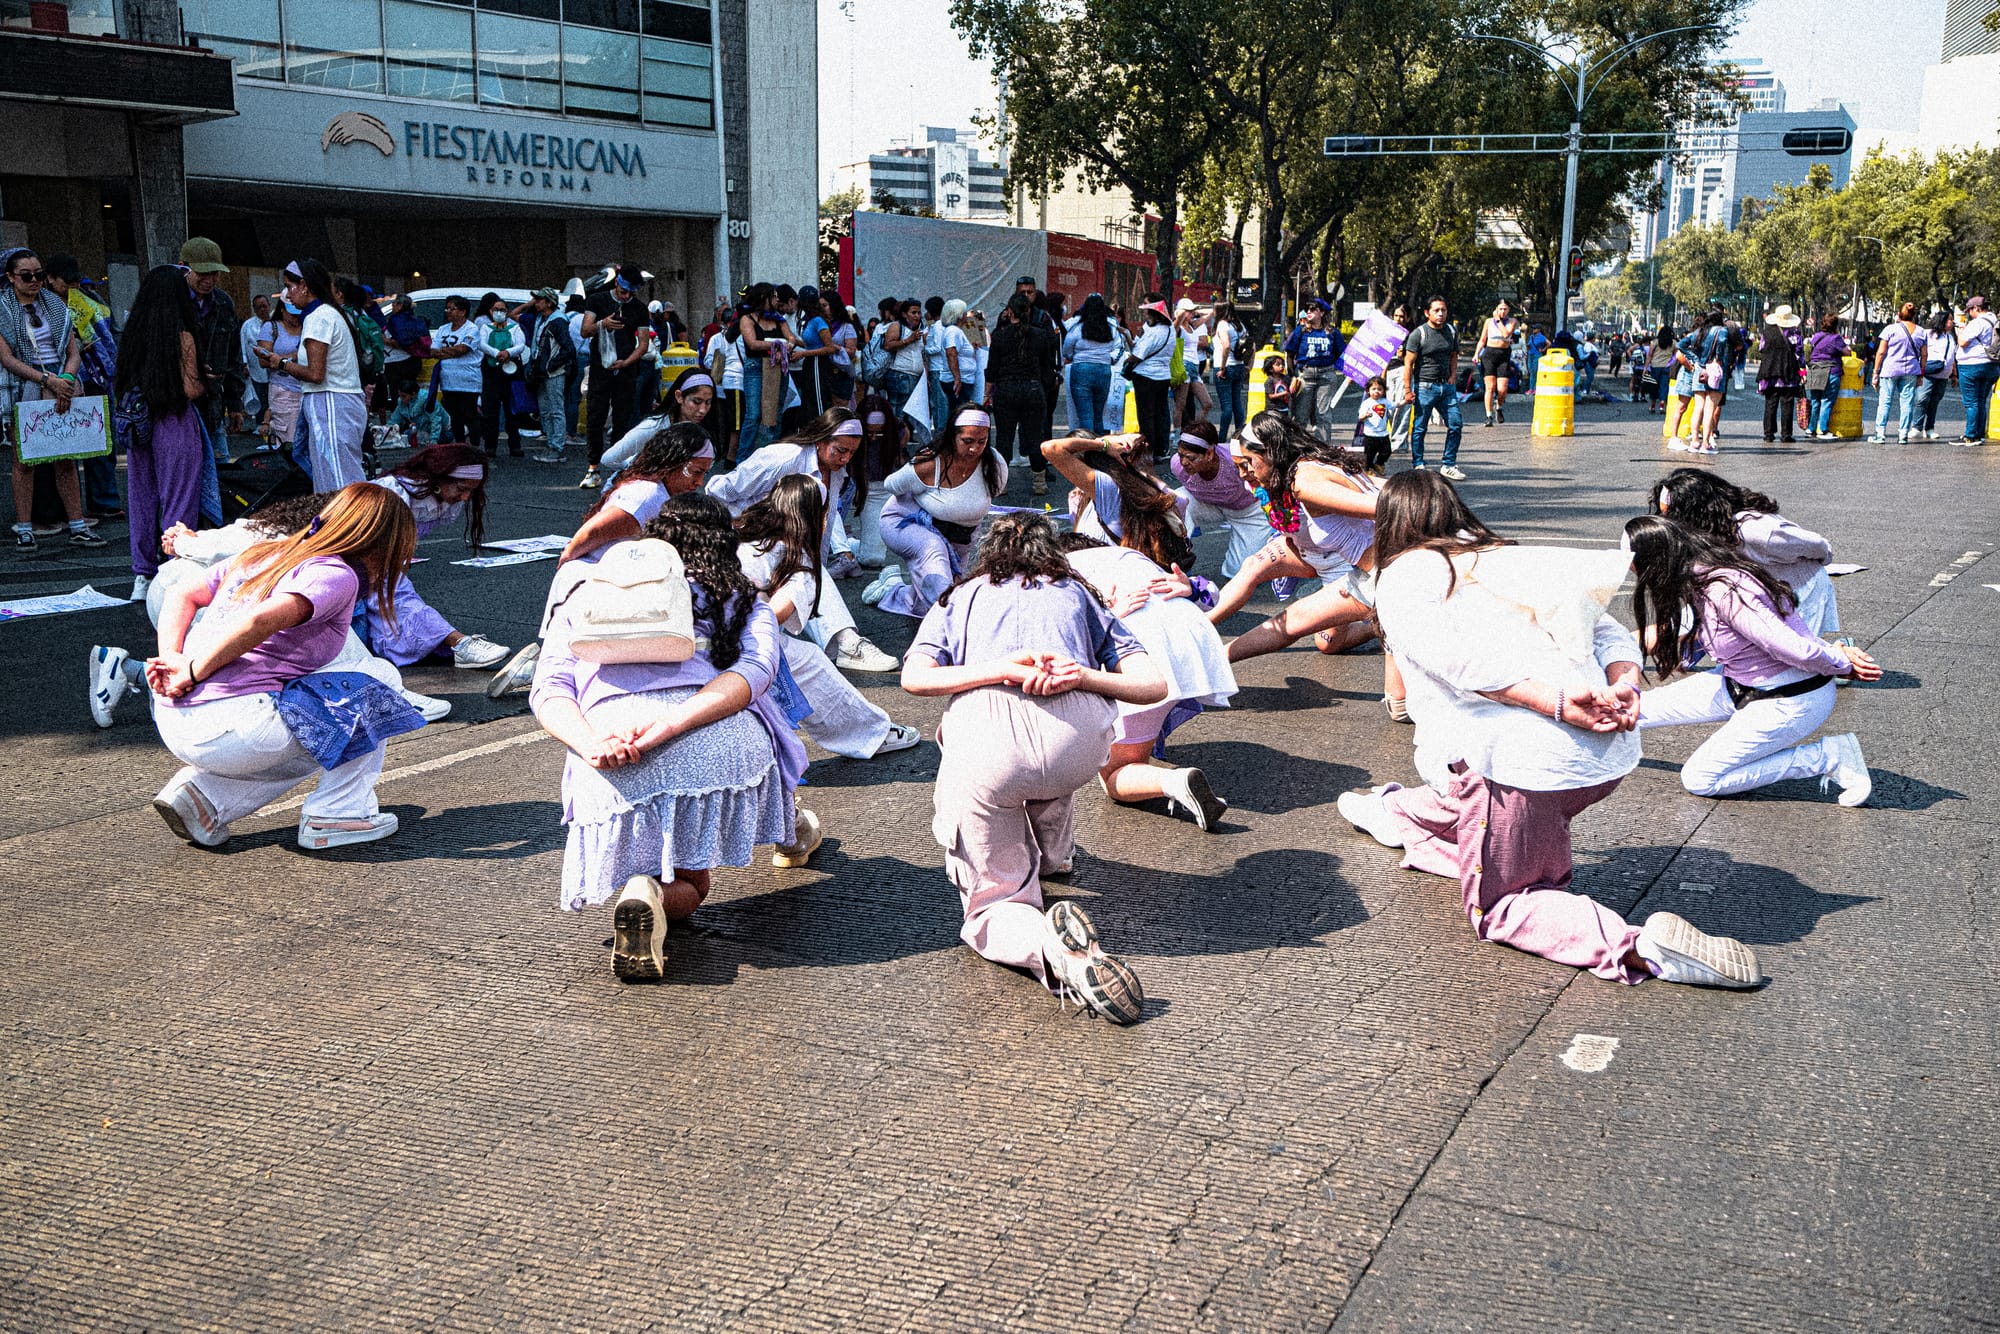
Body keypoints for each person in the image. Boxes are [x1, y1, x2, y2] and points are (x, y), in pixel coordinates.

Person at [1335, 471, 1763, 990]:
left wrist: (1559, 704)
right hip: (1605, 754)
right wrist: (1625, 683)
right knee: (1458, 801)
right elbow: (1603, 628)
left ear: (1389, 524)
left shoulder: (1401, 574)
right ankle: (1388, 809)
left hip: (1522, 767)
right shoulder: (1502, 556)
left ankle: (1639, 948)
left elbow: (1459, 664)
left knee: (1502, 902)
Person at [531, 493, 821, 981]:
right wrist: (670, 725)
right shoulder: (744, 599)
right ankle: (659, 893)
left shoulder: (585, 593)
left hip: (610, 752)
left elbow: (549, 690)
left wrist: (590, 744)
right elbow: (754, 675)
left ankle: (641, 888)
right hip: (712, 745)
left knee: (663, 855)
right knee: (693, 880)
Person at [901, 511, 1166, 1024]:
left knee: (991, 902)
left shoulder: (960, 595)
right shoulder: (1079, 593)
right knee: (1047, 776)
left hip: (991, 742)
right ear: (1053, 553)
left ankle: (1052, 948)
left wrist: (1000, 668)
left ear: (988, 551)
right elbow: (1152, 685)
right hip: (1079, 745)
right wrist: (1082, 675)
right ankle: (1052, 857)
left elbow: (914, 677)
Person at [147, 482, 420, 852]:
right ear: (382, 544)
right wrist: (191, 669)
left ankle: (205, 799)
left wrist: (173, 660)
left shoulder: (265, 553)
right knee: (379, 682)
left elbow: (182, 593)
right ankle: (337, 814)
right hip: (233, 724)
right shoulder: (336, 574)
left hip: (178, 717)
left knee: (318, 734)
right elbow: (259, 621)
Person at [1625, 514, 1878, 805]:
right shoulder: (1699, 577)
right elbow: (1675, 631)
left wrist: (1842, 662)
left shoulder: (1723, 589)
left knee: (1700, 778)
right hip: (1738, 683)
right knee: (1627, 710)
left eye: (1638, 571)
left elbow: (1791, 646)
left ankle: (1827, 757)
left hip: (1791, 699)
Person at [1058, 528, 1234, 833]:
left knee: (1116, 775)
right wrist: (1191, 588)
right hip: (1192, 637)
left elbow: (1067, 637)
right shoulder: (1128, 556)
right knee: (1138, 737)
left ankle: (1174, 781)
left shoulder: (1062, 576)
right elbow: (1211, 594)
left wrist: (1109, 614)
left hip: (1143, 650)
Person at [736, 475, 921, 759]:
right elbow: (775, 614)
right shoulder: (797, 560)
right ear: (819, 518)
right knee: (808, 661)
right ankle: (871, 734)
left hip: (698, 629)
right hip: (737, 640)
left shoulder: (742, 535)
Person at [705, 408, 900, 673]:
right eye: (840, 450)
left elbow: (822, 530)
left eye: (852, 452)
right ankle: (846, 643)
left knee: (806, 567)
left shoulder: (836, 471)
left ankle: (840, 640)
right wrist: (743, 527)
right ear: (820, 441)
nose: (845, 458)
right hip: (742, 536)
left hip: (782, 539)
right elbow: (719, 490)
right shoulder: (782, 458)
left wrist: (815, 581)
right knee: (801, 566)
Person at [1203, 412, 1381, 662]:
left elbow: (1382, 500)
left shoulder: (1305, 481)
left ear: (1270, 453)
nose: (1243, 474)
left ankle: (1382, 622)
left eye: (1246, 463)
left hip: (1344, 563)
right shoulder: (1273, 475)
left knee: (1327, 644)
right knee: (1253, 567)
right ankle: (1197, 629)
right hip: (1304, 550)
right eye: (1237, 467)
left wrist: (1429, 502)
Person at [364, 444, 510, 669]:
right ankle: (459, 643)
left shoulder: (444, 499)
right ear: (441, 477)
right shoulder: (394, 492)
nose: (465, 497)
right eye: (461, 488)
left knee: (394, 598)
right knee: (395, 597)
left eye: (471, 490)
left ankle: (442, 642)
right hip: (363, 555)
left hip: (389, 556)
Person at [1648, 468, 1841, 637]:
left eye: (1672, 514)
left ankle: (1843, 653)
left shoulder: (1758, 531)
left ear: (1695, 511)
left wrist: (1824, 559)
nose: (1667, 521)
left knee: (1795, 659)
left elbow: (1817, 545)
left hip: (1799, 590)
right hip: (1749, 590)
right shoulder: (1702, 531)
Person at [113, 266, 208, 599]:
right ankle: (174, 569)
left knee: (140, 497)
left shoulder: (133, 332)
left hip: (138, 424)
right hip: (174, 420)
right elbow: (191, 389)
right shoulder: (182, 335)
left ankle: (142, 575)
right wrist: (206, 379)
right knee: (179, 498)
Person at [0, 247, 103, 552]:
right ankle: (25, 526)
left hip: (60, 383)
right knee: (24, 462)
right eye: (26, 275)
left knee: (66, 458)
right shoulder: (2, 310)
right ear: (10, 277)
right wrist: (48, 381)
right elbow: (6, 359)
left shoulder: (55, 306)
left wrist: (67, 380)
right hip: (23, 387)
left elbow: (73, 351)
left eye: (39, 275)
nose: (34, 280)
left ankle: (78, 524)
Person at [867, 400, 1010, 620]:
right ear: (953, 436)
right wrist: (924, 502)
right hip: (906, 523)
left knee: (931, 599)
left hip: (960, 537)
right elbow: (891, 485)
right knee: (944, 591)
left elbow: (994, 491)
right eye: (967, 441)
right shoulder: (930, 463)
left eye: (982, 441)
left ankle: (892, 588)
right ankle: (953, 626)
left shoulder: (994, 463)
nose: (974, 448)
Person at [270, 259, 367, 490]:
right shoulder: (327, 313)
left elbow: (315, 373)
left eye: (289, 286)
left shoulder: (318, 317)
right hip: (337, 400)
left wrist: (280, 363)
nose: (286, 294)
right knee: (333, 475)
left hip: (331, 400)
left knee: (339, 479)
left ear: (304, 285)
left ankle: (354, 523)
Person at [580, 264, 655, 489]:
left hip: (626, 368)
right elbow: (585, 330)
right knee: (596, 416)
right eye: (623, 291)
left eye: (631, 292)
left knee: (623, 418)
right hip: (600, 367)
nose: (626, 296)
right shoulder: (597, 300)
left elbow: (643, 344)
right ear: (616, 283)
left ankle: (617, 467)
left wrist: (627, 362)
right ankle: (593, 466)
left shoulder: (639, 309)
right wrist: (602, 324)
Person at [1170, 420, 1271, 579]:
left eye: (1190, 457)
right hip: (1209, 504)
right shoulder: (1177, 465)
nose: (1184, 462)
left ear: (1209, 454)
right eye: (1180, 455)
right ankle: (1177, 559)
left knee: (1239, 573)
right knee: (1174, 500)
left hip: (1247, 511)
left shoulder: (1235, 462)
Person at [178, 238, 244, 467]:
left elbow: (234, 355)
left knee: (220, 469)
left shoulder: (224, 303)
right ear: (183, 267)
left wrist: (235, 403)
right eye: (202, 273)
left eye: (214, 273)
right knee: (184, 472)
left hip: (214, 403)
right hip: (178, 405)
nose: (209, 280)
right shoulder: (171, 301)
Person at [988, 292, 1059, 492]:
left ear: (1009, 312)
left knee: (1004, 438)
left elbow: (991, 369)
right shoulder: (1040, 335)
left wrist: (986, 394)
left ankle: (1000, 484)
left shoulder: (1000, 336)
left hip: (1006, 389)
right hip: (1033, 389)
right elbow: (1048, 365)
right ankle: (1039, 482)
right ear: (1029, 311)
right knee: (1035, 437)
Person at [601, 366, 718, 474]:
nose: (703, 410)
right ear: (679, 396)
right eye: (697, 401)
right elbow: (609, 459)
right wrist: (640, 472)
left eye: (708, 402)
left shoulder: (705, 431)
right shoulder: (652, 427)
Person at [1402, 296, 1464, 479]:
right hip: (1424, 386)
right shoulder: (1418, 334)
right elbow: (1408, 363)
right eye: (1436, 310)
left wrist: (1453, 376)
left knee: (1456, 424)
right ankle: (1419, 464)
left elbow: (1454, 355)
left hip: (1447, 387)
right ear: (1427, 313)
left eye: (1443, 310)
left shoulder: (1451, 331)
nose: (1440, 314)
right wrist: (1408, 390)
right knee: (1420, 427)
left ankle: (1449, 464)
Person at [736, 282, 800, 458]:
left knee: (774, 413)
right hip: (756, 367)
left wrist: (787, 347)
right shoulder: (747, 319)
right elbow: (752, 343)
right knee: (754, 415)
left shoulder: (779, 319)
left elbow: (792, 338)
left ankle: (769, 454)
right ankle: (743, 458)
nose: (776, 300)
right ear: (764, 298)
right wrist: (779, 345)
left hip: (777, 368)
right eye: (773, 297)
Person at [524, 287, 577, 464]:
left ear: (549, 302)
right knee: (545, 410)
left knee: (555, 409)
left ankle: (558, 446)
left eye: (539, 300)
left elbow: (568, 348)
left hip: (553, 372)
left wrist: (551, 365)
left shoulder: (558, 321)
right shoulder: (541, 319)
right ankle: (550, 442)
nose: (536, 303)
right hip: (541, 371)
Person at [1061, 293, 1124, 439]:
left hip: (1081, 370)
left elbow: (1066, 350)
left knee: (1085, 415)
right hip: (1103, 370)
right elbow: (1118, 347)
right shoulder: (1110, 328)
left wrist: (1074, 357)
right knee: (1098, 414)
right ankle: (1100, 448)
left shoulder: (1078, 328)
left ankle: (1087, 448)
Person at [475, 293, 529, 459]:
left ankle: (515, 445)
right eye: (495, 310)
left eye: (502, 310)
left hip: (511, 370)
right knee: (490, 410)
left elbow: (520, 344)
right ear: (490, 311)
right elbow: (482, 343)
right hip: (491, 371)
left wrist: (508, 352)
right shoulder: (485, 327)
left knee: (512, 410)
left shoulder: (514, 327)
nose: (499, 312)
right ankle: (490, 446)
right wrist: (497, 353)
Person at [1282, 299, 1343, 442]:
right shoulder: (1301, 331)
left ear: (1321, 313)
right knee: (1300, 415)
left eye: (1313, 309)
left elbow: (1342, 354)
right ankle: (1298, 447)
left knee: (1323, 414)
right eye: (1307, 309)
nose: (1308, 312)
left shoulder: (1332, 332)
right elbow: (1290, 354)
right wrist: (1292, 377)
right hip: (1305, 375)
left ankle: (1322, 447)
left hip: (1326, 375)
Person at [428, 297, 484, 448]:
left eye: (452, 309)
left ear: (463, 311)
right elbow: (433, 351)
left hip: (468, 380)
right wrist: (449, 352)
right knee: (455, 416)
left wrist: (444, 352)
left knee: (470, 414)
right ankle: (459, 446)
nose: (448, 312)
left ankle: (475, 447)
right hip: (448, 380)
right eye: (447, 309)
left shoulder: (471, 329)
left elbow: (463, 349)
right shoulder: (443, 329)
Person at [1673, 308, 1730, 455]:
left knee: (1698, 407)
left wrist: (1695, 359)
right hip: (1714, 370)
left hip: (1699, 371)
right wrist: (1718, 358)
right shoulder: (1722, 331)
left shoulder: (1699, 332)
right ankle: (1706, 443)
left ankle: (1694, 442)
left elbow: (1681, 345)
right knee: (1710, 409)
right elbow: (1723, 344)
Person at [1126, 300, 1176, 460]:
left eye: (1147, 313)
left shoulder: (1153, 333)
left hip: (1146, 376)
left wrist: (1126, 358)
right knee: (1160, 413)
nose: (1145, 315)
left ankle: (1148, 451)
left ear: (1154, 315)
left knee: (1146, 414)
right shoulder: (1170, 330)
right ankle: (1162, 449)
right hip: (1164, 376)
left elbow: (1138, 355)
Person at [1868, 302, 1924, 444]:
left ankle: (1880, 434)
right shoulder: (1921, 332)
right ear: (1914, 316)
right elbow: (1925, 355)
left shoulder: (1890, 329)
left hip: (1890, 370)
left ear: (1898, 315)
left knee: (1885, 402)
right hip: (1911, 371)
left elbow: (1881, 352)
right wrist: (1921, 374)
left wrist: (1875, 372)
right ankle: (1903, 434)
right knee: (1907, 403)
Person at [881, 297, 929, 445]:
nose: (917, 316)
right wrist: (909, 340)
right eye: (913, 312)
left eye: (919, 313)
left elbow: (923, 354)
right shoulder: (896, 327)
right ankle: (894, 444)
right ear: (904, 314)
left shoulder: (920, 329)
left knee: (910, 412)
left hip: (916, 378)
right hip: (899, 375)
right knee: (898, 412)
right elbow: (888, 345)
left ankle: (904, 441)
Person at [703, 304, 746, 464]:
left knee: (735, 420)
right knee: (723, 421)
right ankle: (724, 453)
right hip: (722, 387)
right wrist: (719, 362)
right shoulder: (716, 339)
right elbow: (708, 361)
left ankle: (729, 452)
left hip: (733, 384)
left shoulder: (741, 337)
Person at [924, 299, 974, 434]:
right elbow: (951, 352)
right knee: (951, 410)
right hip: (955, 378)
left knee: (953, 409)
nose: (966, 315)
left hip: (962, 378)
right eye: (964, 312)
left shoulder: (957, 330)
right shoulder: (952, 331)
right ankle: (945, 437)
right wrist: (957, 377)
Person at [1757, 305, 1805, 444]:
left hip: (1770, 372)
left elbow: (1761, 349)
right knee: (1787, 404)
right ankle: (1786, 434)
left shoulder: (1766, 333)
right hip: (1788, 373)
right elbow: (1799, 356)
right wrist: (1802, 373)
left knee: (1770, 403)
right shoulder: (1794, 334)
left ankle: (1768, 433)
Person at [1953, 295, 1997, 443]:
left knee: (1971, 402)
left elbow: (1963, 342)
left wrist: (1960, 333)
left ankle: (1970, 436)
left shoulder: (1977, 322)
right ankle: (1979, 434)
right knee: (1981, 401)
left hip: (1971, 365)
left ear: (1976, 308)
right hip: (1992, 365)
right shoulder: (1995, 320)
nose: (1969, 313)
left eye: (1970, 310)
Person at [1914, 309, 1958, 441]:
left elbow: (1952, 358)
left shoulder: (1950, 338)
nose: (1952, 322)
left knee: (1934, 402)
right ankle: (1916, 427)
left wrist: (1954, 375)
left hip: (1943, 376)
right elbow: (1919, 352)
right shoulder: (1927, 334)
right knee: (1922, 399)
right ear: (1942, 321)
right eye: (1949, 319)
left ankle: (1929, 429)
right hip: (1929, 373)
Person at [1803, 314, 1848, 439]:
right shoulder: (1836, 338)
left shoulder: (1817, 336)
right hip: (1831, 371)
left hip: (1814, 370)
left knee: (1815, 401)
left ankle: (1810, 429)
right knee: (1827, 401)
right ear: (1835, 325)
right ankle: (1823, 429)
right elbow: (1847, 352)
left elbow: (1812, 349)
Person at [1211, 303, 1252, 438]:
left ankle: (1222, 437)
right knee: (1237, 403)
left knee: (1226, 405)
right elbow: (1252, 345)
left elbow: (1226, 346)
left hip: (1225, 367)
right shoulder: (1239, 325)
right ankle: (1239, 435)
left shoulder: (1222, 325)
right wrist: (1249, 365)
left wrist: (1222, 367)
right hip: (1239, 366)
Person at [1477, 299, 1519, 427]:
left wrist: (1498, 320)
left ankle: (1499, 407)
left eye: (1505, 309)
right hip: (1489, 354)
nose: (1502, 311)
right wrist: (1476, 353)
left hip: (1504, 355)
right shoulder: (1489, 322)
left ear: (1508, 310)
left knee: (1502, 389)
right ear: (1496, 309)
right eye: (1500, 309)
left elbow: (1506, 334)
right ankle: (1488, 415)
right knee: (1490, 387)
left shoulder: (1512, 322)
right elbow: (1483, 339)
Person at [239, 293, 273, 434]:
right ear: (254, 309)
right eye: (259, 308)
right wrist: (244, 364)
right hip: (255, 368)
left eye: (264, 306)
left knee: (274, 396)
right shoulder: (248, 325)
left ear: (269, 306)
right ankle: (260, 423)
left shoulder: (276, 321)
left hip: (274, 367)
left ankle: (274, 424)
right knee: (260, 396)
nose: (262, 310)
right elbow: (242, 345)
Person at [384, 381, 448, 448]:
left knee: (407, 437)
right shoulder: (402, 402)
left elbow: (436, 419)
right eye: (399, 396)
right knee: (405, 436)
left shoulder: (426, 399)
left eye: (403, 396)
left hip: (442, 432)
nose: (401, 398)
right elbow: (395, 418)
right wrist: (385, 431)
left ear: (413, 394)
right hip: (423, 430)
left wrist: (433, 440)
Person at [1646, 325, 1678, 417]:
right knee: (1664, 386)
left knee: (1654, 386)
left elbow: (1649, 356)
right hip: (1667, 367)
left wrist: (1646, 367)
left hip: (1655, 366)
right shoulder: (1674, 343)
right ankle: (1662, 405)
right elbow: (1676, 355)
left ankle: (1652, 405)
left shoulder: (1654, 342)